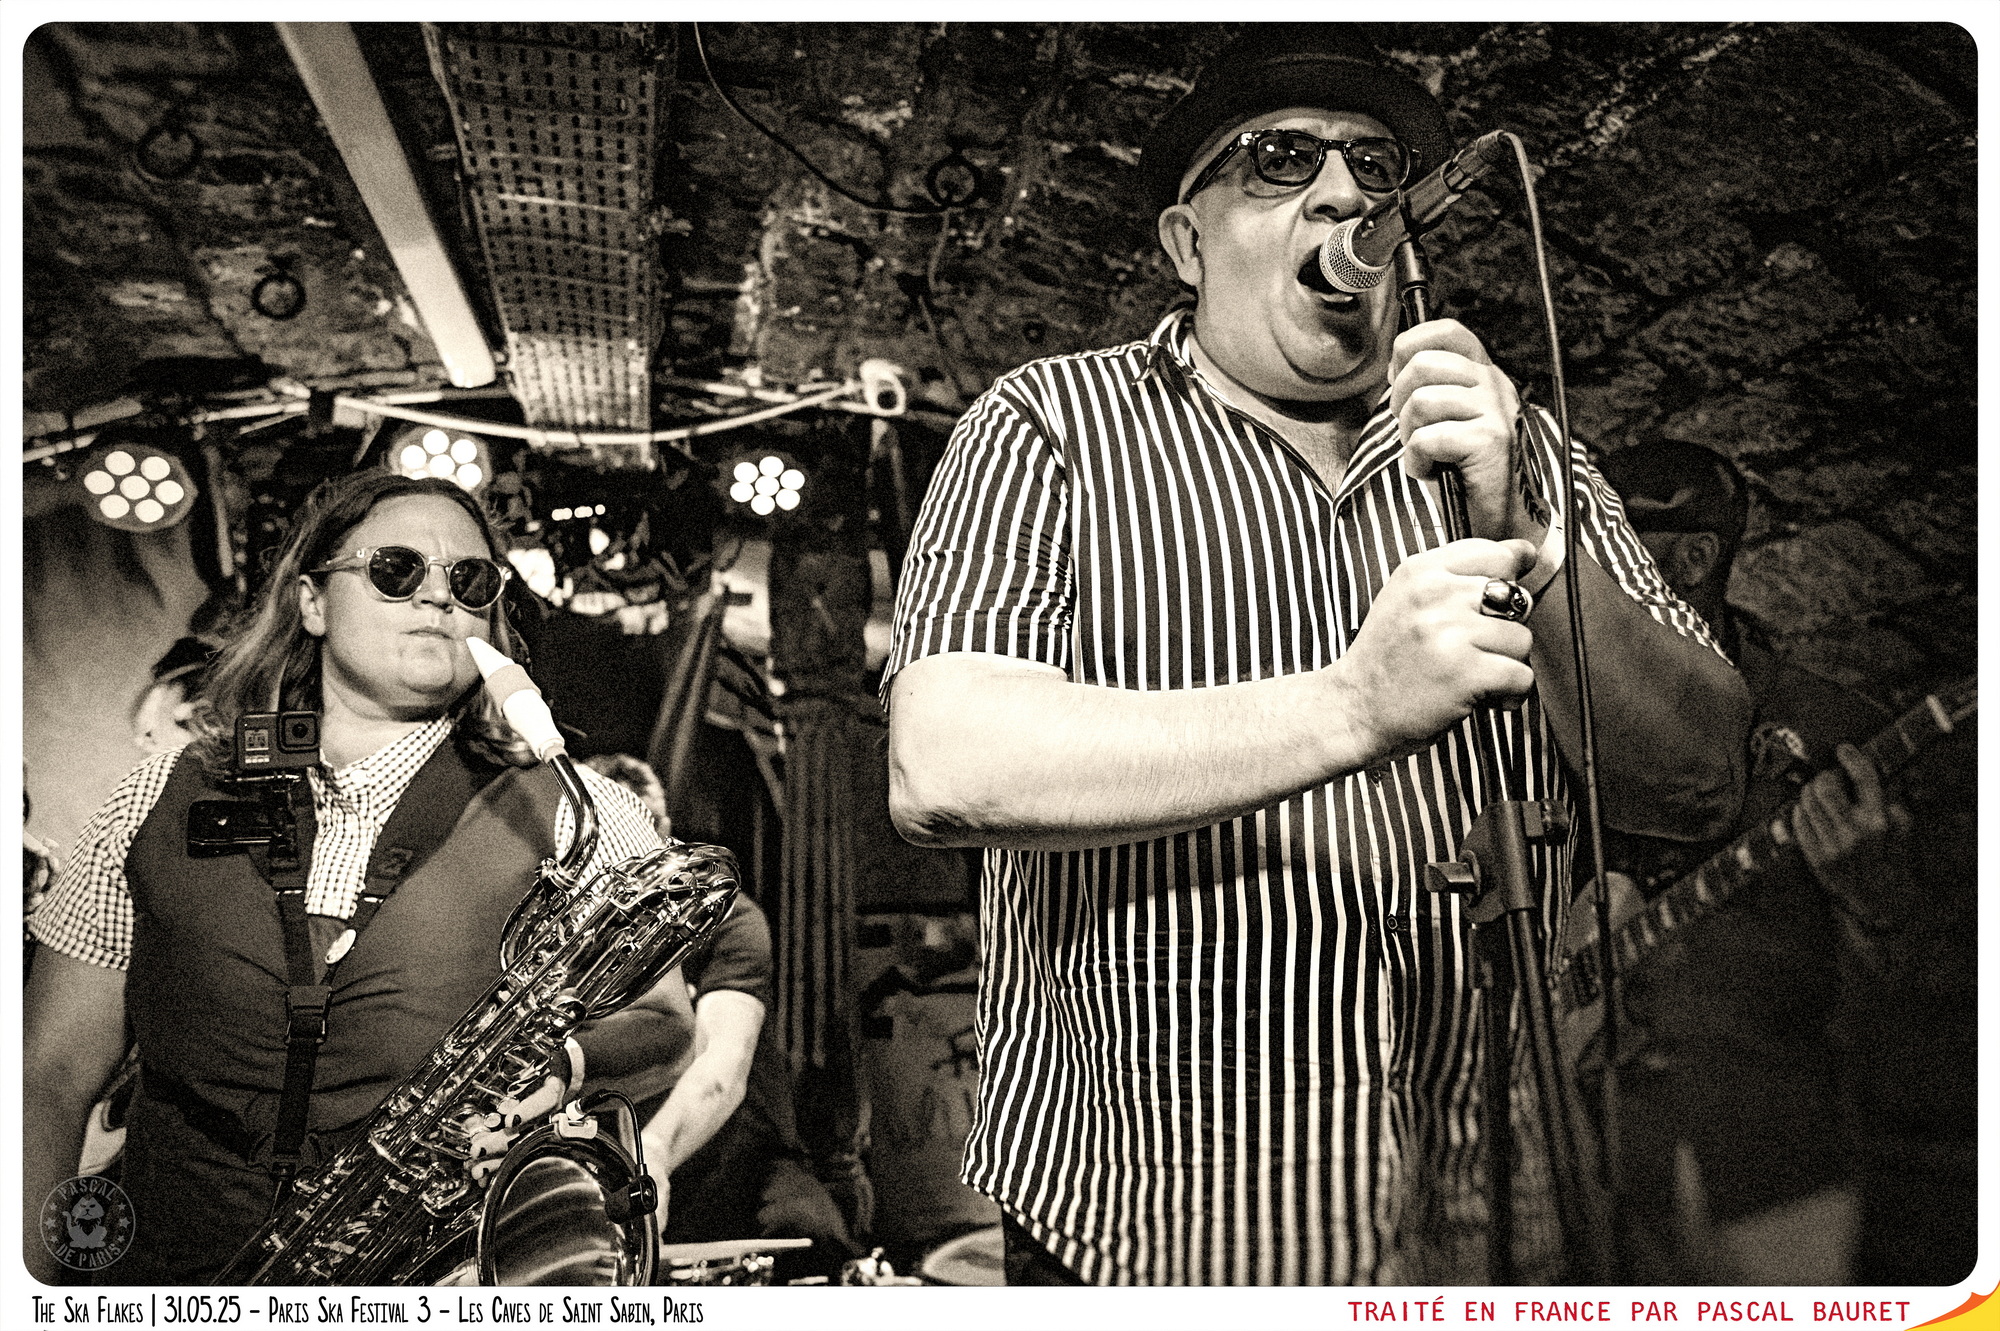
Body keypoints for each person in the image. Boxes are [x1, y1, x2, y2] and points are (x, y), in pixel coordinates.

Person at [883, 29, 1750, 1286]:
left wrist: (1530, 538)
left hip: (1485, 1224)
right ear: (1186, 243)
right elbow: (945, 764)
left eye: (1373, 167)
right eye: (1280, 159)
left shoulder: (1518, 446)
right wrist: (1352, 705)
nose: (1343, 193)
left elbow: (1701, 777)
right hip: (1151, 1237)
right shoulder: (1048, 426)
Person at [24, 470, 696, 1285]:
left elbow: (666, 1023)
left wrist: (563, 1070)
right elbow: (48, 1077)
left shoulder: (582, 809)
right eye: (395, 569)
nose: (438, 596)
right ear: (312, 602)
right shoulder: (154, 795)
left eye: (470, 579)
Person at [1596, 441, 1956, 1283]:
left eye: (1609, 547)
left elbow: (1929, 988)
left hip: (1769, 1144)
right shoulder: (1564, 717)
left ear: (1692, 559)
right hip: (1597, 1141)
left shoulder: (1831, 724)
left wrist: (1877, 898)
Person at [581, 753, 861, 1278]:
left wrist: (653, 1152)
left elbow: (721, 1072)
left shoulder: (728, 918)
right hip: (606, 1161)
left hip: (731, 1159)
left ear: (664, 833)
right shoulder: (566, 935)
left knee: (811, 1238)